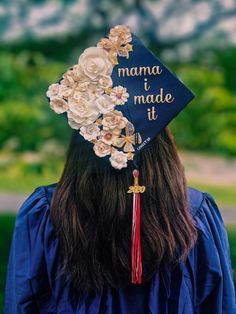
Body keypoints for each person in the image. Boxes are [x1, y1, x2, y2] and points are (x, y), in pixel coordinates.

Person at [5, 25, 236, 314]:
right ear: (164, 145)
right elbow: (218, 306)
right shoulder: (196, 214)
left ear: (82, 142)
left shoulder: (46, 213)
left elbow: (22, 303)